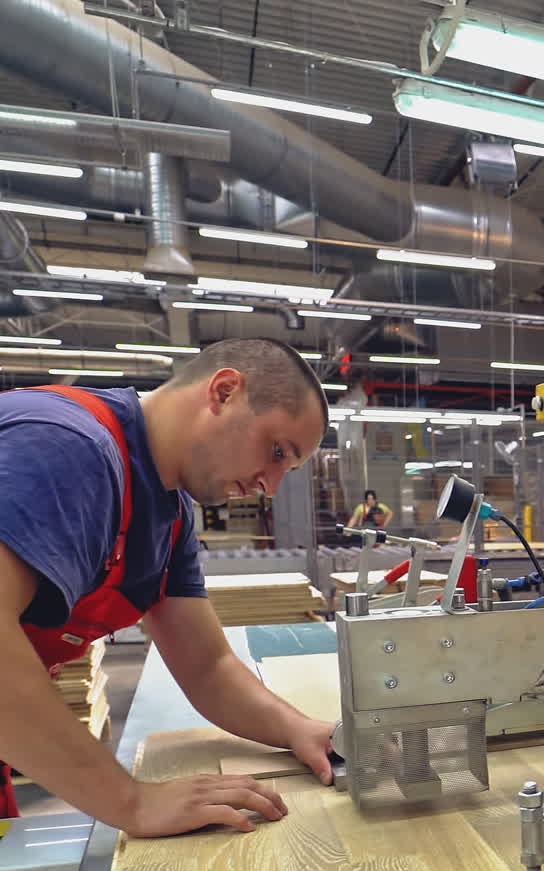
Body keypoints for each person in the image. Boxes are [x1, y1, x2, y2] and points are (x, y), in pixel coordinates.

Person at [0, 338, 337, 835]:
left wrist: (300, 730)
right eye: (276, 452)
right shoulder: (66, 449)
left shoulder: (169, 513)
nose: (271, 485)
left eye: (287, 469)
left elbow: (208, 666)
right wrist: (131, 803)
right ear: (224, 392)